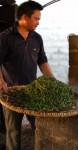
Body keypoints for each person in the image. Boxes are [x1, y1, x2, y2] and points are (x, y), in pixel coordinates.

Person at [0, 1, 54, 150]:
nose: (38, 23)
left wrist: (53, 81)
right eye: (36, 19)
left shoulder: (37, 38)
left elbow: (42, 62)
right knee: (13, 132)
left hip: (33, 92)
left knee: (39, 128)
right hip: (10, 93)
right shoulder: (5, 38)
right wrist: (1, 81)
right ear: (24, 17)